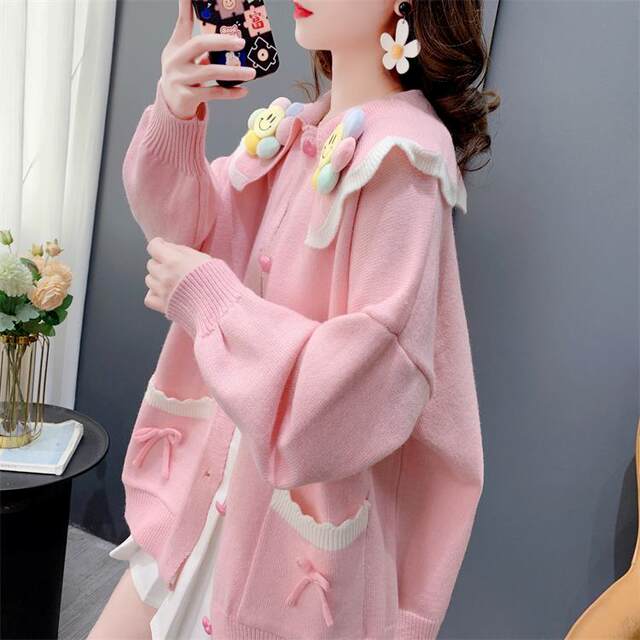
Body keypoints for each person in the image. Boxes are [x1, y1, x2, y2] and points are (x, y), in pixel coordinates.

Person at [89, 0, 498, 637]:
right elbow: (184, 231)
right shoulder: (300, 133)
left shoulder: (403, 159)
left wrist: (211, 300)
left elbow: (363, 386)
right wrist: (176, 110)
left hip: (285, 545)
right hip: (210, 494)